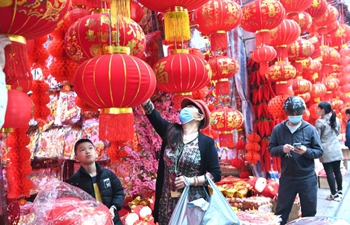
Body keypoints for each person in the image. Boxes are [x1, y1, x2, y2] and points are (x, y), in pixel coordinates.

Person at [142, 97, 221, 225]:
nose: (185, 110)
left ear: (200, 117)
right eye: (184, 108)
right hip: (167, 202)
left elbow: (216, 174)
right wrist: (144, 98)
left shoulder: (206, 143)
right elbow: (153, 115)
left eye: (190, 108)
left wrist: (190, 181)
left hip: (192, 203)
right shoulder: (171, 132)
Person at [269, 96, 323, 225]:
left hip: (307, 178)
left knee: (309, 214)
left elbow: (319, 151)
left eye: (297, 114)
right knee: (281, 213)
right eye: (291, 113)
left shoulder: (310, 129)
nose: (294, 116)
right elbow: (271, 149)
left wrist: (306, 151)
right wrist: (282, 149)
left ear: (302, 113)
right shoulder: (278, 129)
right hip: (287, 178)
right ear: (286, 113)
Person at [67, 139, 125, 225]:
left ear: (96, 153)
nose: (87, 151)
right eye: (82, 150)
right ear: (76, 158)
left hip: (113, 220)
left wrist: (113, 207)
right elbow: (71, 204)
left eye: (90, 148)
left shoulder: (108, 174)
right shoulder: (74, 181)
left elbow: (119, 192)